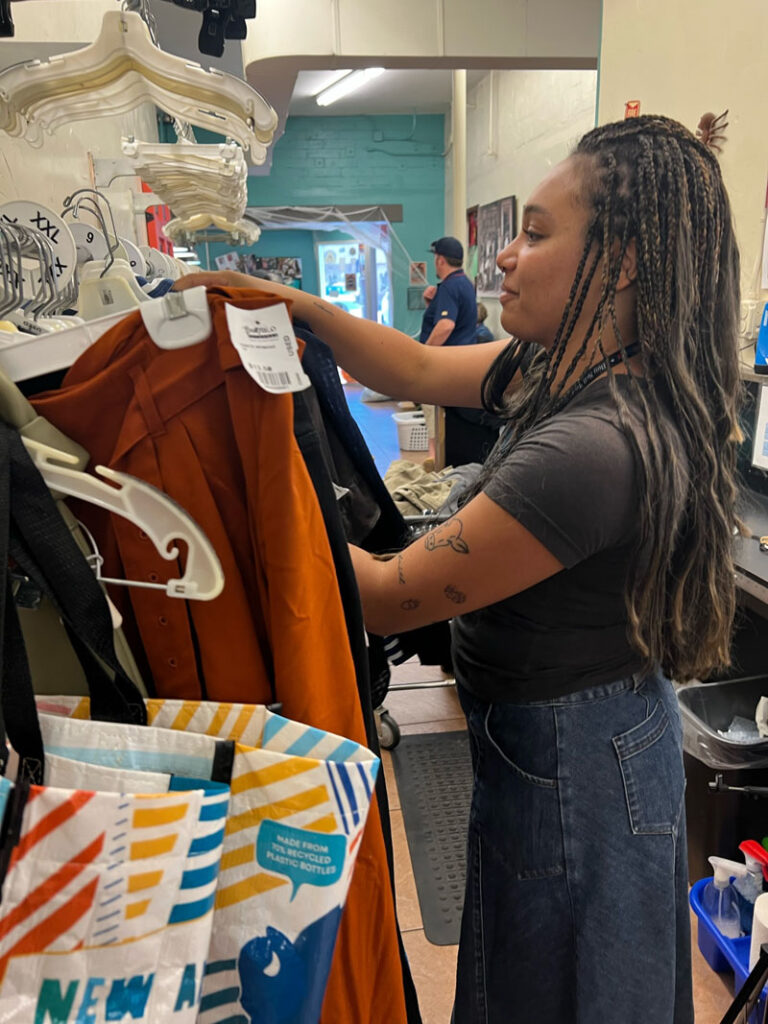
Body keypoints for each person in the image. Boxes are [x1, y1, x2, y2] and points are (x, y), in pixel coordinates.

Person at [176, 115, 741, 1023]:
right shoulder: (560, 369)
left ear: (625, 260)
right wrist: (304, 312)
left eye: (538, 233)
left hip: (580, 762)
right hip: (566, 739)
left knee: (567, 994)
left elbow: (386, 598)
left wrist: (235, 496)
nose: (506, 257)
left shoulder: (594, 447)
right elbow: (420, 364)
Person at [419, 236, 477, 347]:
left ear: (440, 261)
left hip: (448, 357)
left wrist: (425, 352)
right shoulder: (466, 283)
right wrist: (432, 305)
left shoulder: (449, 287)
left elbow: (446, 325)